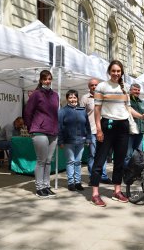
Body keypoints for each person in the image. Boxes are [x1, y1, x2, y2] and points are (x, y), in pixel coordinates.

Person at [90, 60, 144, 207]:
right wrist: (98, 129)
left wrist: (140, 116)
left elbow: (128, 109)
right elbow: (97, 109)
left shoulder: (125, 88)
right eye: (113, 71)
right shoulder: (102, 86)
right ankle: (95, 194)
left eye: (118, 71)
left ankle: (117, 191)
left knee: (120, 162)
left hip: (123, 126)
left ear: (121, 72)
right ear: (109, 72)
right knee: (99, 160)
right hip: (107, 125)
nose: (116, 73)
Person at [24, 70, 59, 199]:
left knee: (49, 161)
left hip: (53, 131)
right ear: (41, 80)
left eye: (49, 79)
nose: (47, 81)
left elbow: (55, 114)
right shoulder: (36, 94)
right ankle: (39, 188)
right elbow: (28, 112)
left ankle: (46, 186)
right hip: (39, 130)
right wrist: (31, 128)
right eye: (45, 79)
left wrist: (57, 128)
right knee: (41, 161)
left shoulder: (55, 95)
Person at [80, 78, 112, 185]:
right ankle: (93, 177)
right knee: (93, 155)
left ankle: (103, 176)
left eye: (96, 85)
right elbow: (81, 116)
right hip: (92, 130)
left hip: (104, 130)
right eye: (92, 85)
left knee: (102, 154)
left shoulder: (104, 97)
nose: (94, 87)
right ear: (89, 87)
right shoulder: (85, 98)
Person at [58, 89, 91, 192]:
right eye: (70, 97)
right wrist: (60, 141)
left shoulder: (83, 110)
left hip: (81, 140)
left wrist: (89, 138)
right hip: (68, 141)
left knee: (78, 162)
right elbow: (59, 127)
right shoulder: (62, 111)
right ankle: (71, 183)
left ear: (77, 98)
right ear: (67, 99)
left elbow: (87, 126)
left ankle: (78, 182)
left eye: (74, 97)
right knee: (70, 161)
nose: (72, 99)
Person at [125, 83, 144, 167]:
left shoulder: (143, 102)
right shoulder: (127, 101)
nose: (137, 92)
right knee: (128, 154)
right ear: (130, 90)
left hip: (140, 131)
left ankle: (136, 172)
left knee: (139, 153)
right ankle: (126, 173)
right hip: (129, 131)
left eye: (138, 90)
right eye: (135, 90)